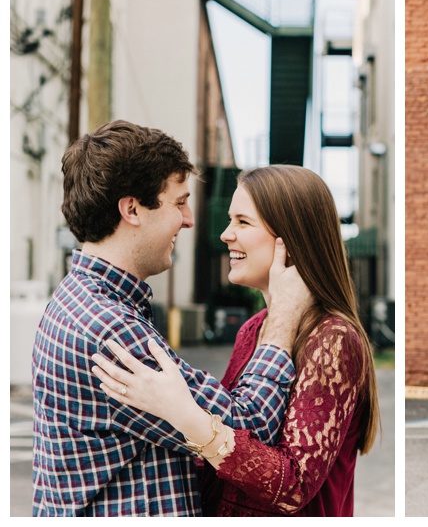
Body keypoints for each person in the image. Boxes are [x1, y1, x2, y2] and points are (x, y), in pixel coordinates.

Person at [32, 120, 310, 516]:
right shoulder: (110, 329)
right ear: (132, 209)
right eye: (179, 201)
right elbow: (248, 426)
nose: (190, 218)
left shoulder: (82, 301)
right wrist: (282, 321)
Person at [91, 164, 381, 517]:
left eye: (243, 222)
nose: (226, 235)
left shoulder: (333, 340)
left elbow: (293, 487)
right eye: (231, 221)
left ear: (289, 238)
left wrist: (186, 416)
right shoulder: (253, 329)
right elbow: (238, 434)